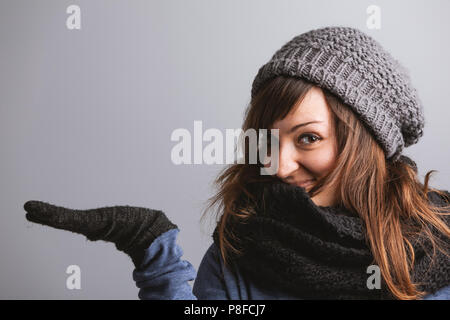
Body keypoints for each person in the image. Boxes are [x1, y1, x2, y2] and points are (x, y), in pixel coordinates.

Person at [24, 26, 450, 300]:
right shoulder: (244, 247)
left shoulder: (438, 244)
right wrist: (154, 250)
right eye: (268, 139)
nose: (279, 166)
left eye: (308, 138)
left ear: (366, 143)